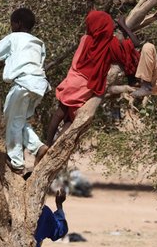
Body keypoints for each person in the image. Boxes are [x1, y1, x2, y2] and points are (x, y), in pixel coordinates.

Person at [46, 11, 140, 146]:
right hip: (87, 87)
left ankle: (48, 144)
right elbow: (134, 44)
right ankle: (55, 147)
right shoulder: (110, 45)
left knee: (60, 113)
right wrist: (124, 26)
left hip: (73, 80)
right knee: (70, 120)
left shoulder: (85, 39)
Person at [0, 8, 49, 173]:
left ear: (18, 24)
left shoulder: (14, 38)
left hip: (22, 85)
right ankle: (38, 147)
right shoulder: (38, 42)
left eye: (12, 23)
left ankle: (16, 163)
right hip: (38, 85)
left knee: (12, 122)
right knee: (20, 121)